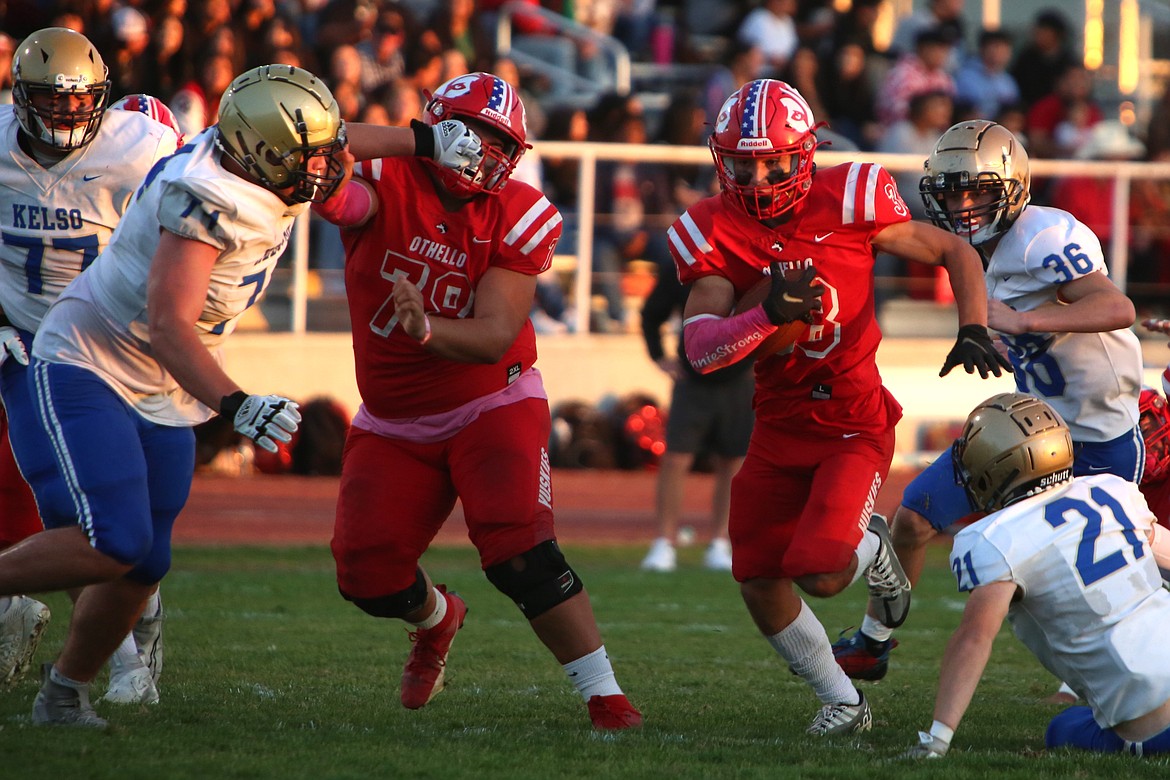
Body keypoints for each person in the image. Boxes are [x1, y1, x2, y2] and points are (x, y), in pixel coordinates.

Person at [0, 62, 482, 729]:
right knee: (112, 541)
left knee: (146, 561)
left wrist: (427, 141)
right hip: (97, 360)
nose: (326, 166)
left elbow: (345, 141)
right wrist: (238, 404)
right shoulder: (206, 197)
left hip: (166, 380)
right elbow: (169, 325)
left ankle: (62, 694)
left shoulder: (259, 153)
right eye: (309, 155)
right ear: (260, 151)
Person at [667, 78, 1007, 736]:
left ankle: (872, 543)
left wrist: (973, 324)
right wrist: (766, 313)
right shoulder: (710, 228)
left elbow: (954, 248)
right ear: (720, 159)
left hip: (852, 417)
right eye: (743, 163)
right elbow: (700, 349)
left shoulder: (850, 196)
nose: (759, 177)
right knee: (758, 577)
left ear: (807, 155)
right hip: (778, 422)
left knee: (821, 573)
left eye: (773, 162)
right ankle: (842, 702)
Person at [312, 71, 642, 731]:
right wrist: (422, 142)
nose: (485, 153)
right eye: (473, 134)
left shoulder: (522, 211)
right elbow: (321, 155)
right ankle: (437, 619)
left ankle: (604, 697)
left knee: (518, 548)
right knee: (367, 575)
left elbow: (493, 336)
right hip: (395, 418)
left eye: (500, 142)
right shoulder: (387, 180)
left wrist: (425, 329)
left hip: (492, 398)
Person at [834, 120, 1143, 682]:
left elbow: (1117, 308)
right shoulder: (967, 252)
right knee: (913, 517)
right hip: (1033, 428)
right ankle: (872, 642)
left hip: (1101, 438)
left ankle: (1101, 684)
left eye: (977, 189)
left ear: (1013, 187)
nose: (964, 203)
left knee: (1093, 577)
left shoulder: (1045, 234)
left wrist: (1023, 321)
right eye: (952, 190)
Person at [0, 29, 183, 703]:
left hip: (122, 346)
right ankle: (125, 659)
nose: (68, 115)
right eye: (52, 99)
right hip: (30, 346)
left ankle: (138, 610)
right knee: (63, 507)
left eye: (82, 102)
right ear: (20, 96)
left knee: (135, 532)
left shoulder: (141, 145)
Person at [903, 392, 1170, 759]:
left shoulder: (995, 538)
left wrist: (938, 738)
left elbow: (974, 638)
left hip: (1153, 724)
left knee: (1063, 728)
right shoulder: (1113, 490)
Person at [638, 262, 752, 573]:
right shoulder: (685, 264)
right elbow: (651, 314)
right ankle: (664, 541)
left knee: (734, 461)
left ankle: (720, 541)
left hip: (741, 379)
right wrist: (659, 356)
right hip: (694, 379)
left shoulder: (753, 263)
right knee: (676, 457)